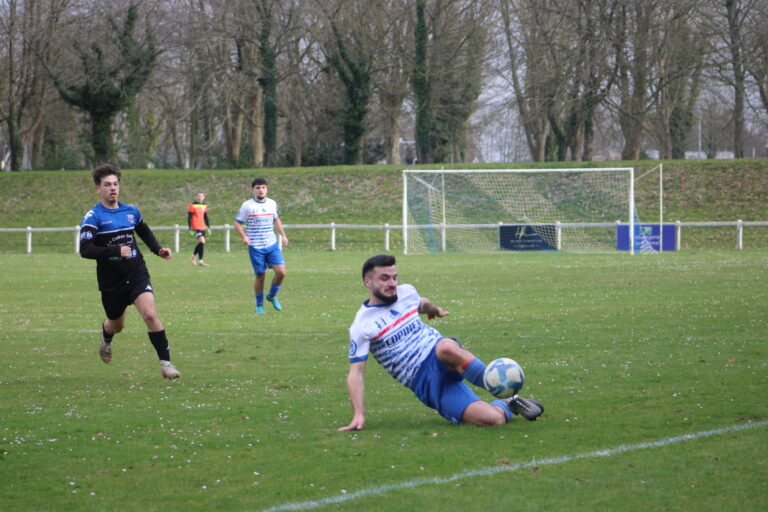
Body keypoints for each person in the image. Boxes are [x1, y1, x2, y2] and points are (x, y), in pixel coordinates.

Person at [339, 254, 543, 430]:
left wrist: (434, 310)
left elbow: (422, 303)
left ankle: (502, 389)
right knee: (493, 420)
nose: (392, 283)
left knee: (446, 347)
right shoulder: (362, 326)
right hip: (424, 380)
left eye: (394, 277)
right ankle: (508, 404)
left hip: (438, 351)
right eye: (384, 278)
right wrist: (358, 414)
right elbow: (355, 373)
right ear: (368, 282)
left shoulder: (406, 292)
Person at [79, 164, 181, 379]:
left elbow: (144, 231)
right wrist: (114, 250)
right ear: (98, 188)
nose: (113, 188)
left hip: (136, 272)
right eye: (107, 185)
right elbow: (85, 249)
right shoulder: (94, 217)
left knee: (150, 314)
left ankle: (166, 364)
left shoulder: (131, 212)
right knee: (117, 325)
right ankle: (106, 336)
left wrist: (158, 250)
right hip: (111, 281)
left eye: (115, 184)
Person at [234, 178, 289, 314]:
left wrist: (283, 235)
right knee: (260, 275)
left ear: (267, 189)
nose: (261, 190)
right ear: (253, 190)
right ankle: (259, 305)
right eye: (258, 188)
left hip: (271, 244)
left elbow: (276, 220)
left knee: (281, 272)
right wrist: (244, 236)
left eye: (263, 187)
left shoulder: (271, 203)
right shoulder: (247, 206)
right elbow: (237, 223)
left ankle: (272, 296)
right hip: (256, 246)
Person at [187, 192, 211, 267]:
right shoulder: (192, 205)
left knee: (202, 244)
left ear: (204, 197)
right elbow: (189, 217)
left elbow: (205, 217)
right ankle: (193, 257)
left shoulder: (204, 205)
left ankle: (200, 261)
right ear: (196, 197)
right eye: (199, 196)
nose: (200, 197)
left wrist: (208, 227)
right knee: (202, 241)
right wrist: (190, 228)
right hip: (195, 227)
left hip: (202, 227)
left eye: (201, 196)